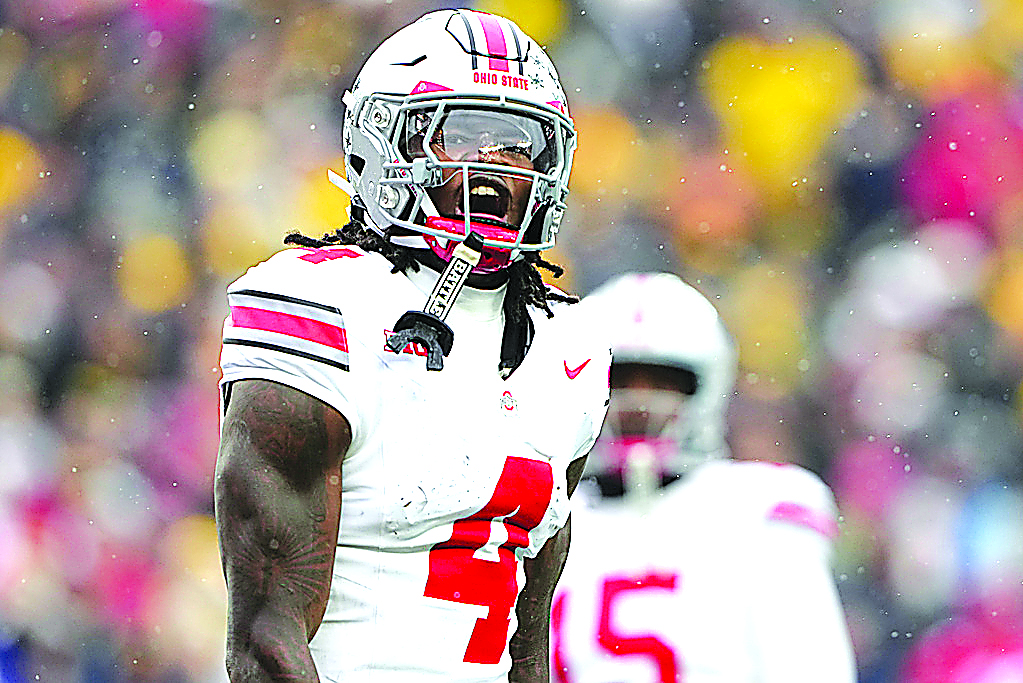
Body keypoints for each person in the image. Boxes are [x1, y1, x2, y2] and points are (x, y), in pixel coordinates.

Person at [213, 9, 610, 683]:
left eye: (518, 143)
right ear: (383, 143)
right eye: (465, 135)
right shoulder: (322, 306)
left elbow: (527, 643)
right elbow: (264, 642)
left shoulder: (569, 348)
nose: (494, 166)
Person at [550, 272, 857, 683]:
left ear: (706, 388)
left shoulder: (754, 510)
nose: (638, 403)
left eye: (661, 382)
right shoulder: (548, 519)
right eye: (619, 380)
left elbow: (811, 670)